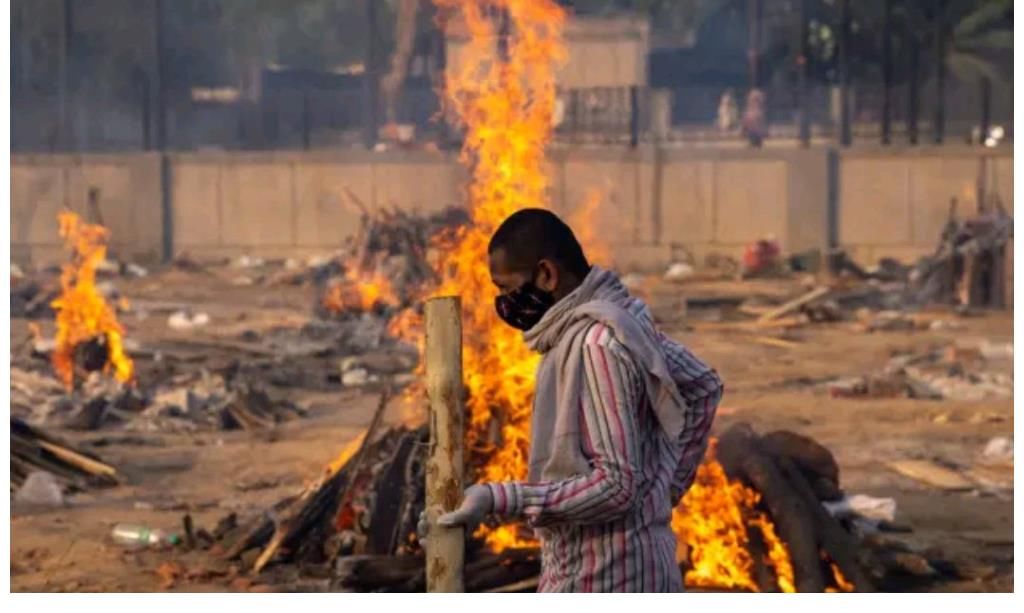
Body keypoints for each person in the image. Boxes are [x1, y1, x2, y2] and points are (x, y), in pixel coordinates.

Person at [435, 208, 723, 592]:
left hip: (604, 577)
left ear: (547, 274)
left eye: (505, 288)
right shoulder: (622, 320)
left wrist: (498, 498)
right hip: (624, 568)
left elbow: (616, 485)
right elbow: (703, 385)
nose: (503, 303)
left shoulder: (595, 345)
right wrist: (663, 490)